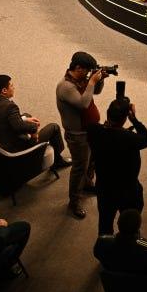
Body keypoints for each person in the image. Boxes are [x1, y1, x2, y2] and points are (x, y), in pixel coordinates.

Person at [88, 97, 147, 236]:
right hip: (128, 190)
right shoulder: (130, 138)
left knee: (104, 226)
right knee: (130, 227)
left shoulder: (94, 131)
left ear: (108, 114)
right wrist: (134, 120)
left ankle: (105, 247)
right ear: (125, 118)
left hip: (105, 188)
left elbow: (101, 128)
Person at [56, 51, 108, 220]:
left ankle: (87, 184)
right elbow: (84, 103)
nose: (88, 74)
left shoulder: (80, 80)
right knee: (79, 169)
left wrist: (99, 80)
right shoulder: (66, 87)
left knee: (91, 160)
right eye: (87, 70)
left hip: (90, 130)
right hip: (77, 136)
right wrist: (92, 81)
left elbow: (95, 92)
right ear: (78, 68)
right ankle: (74, 202)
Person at [0, 74, 66, 169]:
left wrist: (25, 119)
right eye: (11, 86)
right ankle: (58, 161)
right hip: (16, 149)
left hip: (0, 143)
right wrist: (34, 130)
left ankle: (28, 124)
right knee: (54, 127)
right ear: (4, 90)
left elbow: (6, 119)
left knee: (27, 115)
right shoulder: (9, 106)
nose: (14, 88)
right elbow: (18, 127)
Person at [93, 208, 147, 277]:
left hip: (113, 282)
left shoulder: (102, 241)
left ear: (117, 223)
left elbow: (97, 254)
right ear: (138, 228)